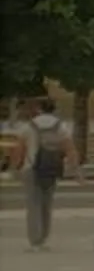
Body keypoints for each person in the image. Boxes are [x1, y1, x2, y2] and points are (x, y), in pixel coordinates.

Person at [10, 99, 70, 248]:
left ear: (39, 108)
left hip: (31, 168)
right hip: (51, 169)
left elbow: (20, 148)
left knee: (33, 205)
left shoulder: (29, 126)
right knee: (46, 204)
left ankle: (34, 240)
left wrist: (15, 167)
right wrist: (75, 169)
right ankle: (44, 237)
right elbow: (69, 148)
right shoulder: (61, 126)